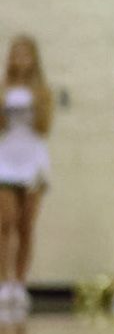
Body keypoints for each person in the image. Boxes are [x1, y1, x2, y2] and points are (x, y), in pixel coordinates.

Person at [0, 36, 54, 311]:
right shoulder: (3, 88)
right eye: (15, 53)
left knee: (25, 225)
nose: (19, 58)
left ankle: (20, 283)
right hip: (6, 159)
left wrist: (38, 102)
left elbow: (44, 127)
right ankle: (3, 282)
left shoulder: (42, 91)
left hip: (33, 160)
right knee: (5, 222)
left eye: (25, 53)